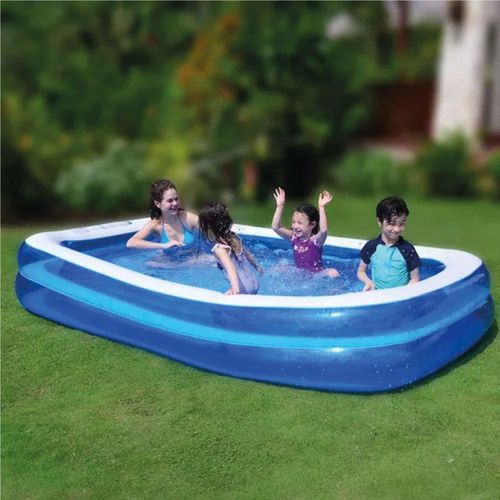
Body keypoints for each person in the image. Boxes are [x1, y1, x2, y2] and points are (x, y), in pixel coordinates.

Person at [271, 187, 339, 277]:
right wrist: (280, 206)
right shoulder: (293, 237)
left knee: (333, 273)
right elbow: (276, 227)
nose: (295, 226)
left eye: (299, 223)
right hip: (299, 273)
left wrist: (321, 207)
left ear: (312, 224)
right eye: (294, 222)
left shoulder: (315, 241)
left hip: (316, 275)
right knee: (280, 267)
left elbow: (323, 230)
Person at [357, 196, 420, 291]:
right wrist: (369, 282)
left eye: (402, 224)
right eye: (392, 223)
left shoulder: (407, 249)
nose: (397, 229)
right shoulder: (371, 247)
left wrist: (402, 293)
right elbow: (361, 272)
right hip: (378, 294)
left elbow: (415, 279)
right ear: (379, 222)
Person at [198, 201, 263, 295]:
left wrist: (235, 289)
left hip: (243, 290)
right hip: (254, 284)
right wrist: (257, 267)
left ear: (209, 227)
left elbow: (230, 267)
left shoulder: (219, 249)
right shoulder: (234, 237)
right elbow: (247, 254)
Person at [126, 179, 198, 250]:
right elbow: (131, 243)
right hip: (168, 258)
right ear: (157, 203)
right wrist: (164, 246)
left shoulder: (186, 217)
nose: (175, 203)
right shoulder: (157, 224)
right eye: (170, 200)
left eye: (176, 199)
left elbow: (204, 224)